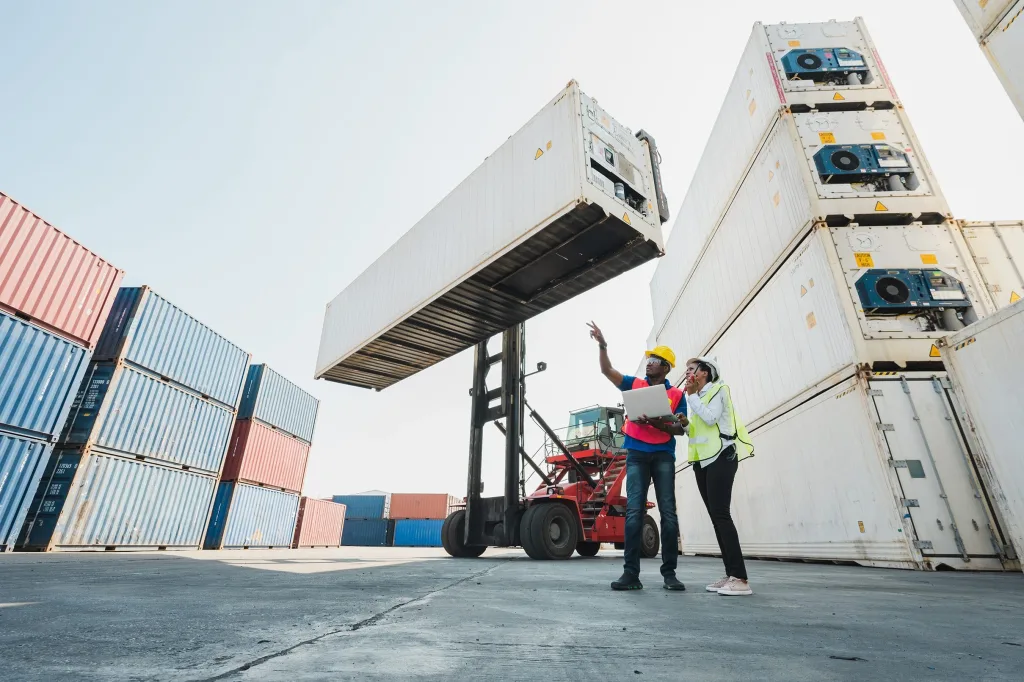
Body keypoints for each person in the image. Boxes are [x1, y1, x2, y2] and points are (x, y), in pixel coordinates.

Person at [588, 322, 687, 592]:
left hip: (663, 456)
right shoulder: (634, 384)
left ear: (666, 367)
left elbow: (680, 428)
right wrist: (603, 345)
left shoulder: (677, 395)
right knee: (633, 513)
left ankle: (670, 574)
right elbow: (607, 370)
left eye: (654, 360)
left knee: (668, 514)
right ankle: (631, 574)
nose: (649, 363)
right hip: (636, 455)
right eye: (648, 359)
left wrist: (657, 423)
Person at [683, 356, 754, 597]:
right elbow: (700, 429)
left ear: (705, 372)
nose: (687, 373)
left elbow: (712, 418)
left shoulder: (719, 390)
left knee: (722, 515)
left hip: (722, 456)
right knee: (716, 517)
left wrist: (691, 396)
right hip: (703, 461)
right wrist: (684, 424)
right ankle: (731, 574)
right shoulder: (697, 398)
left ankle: (741, 578)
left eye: (691, 369)